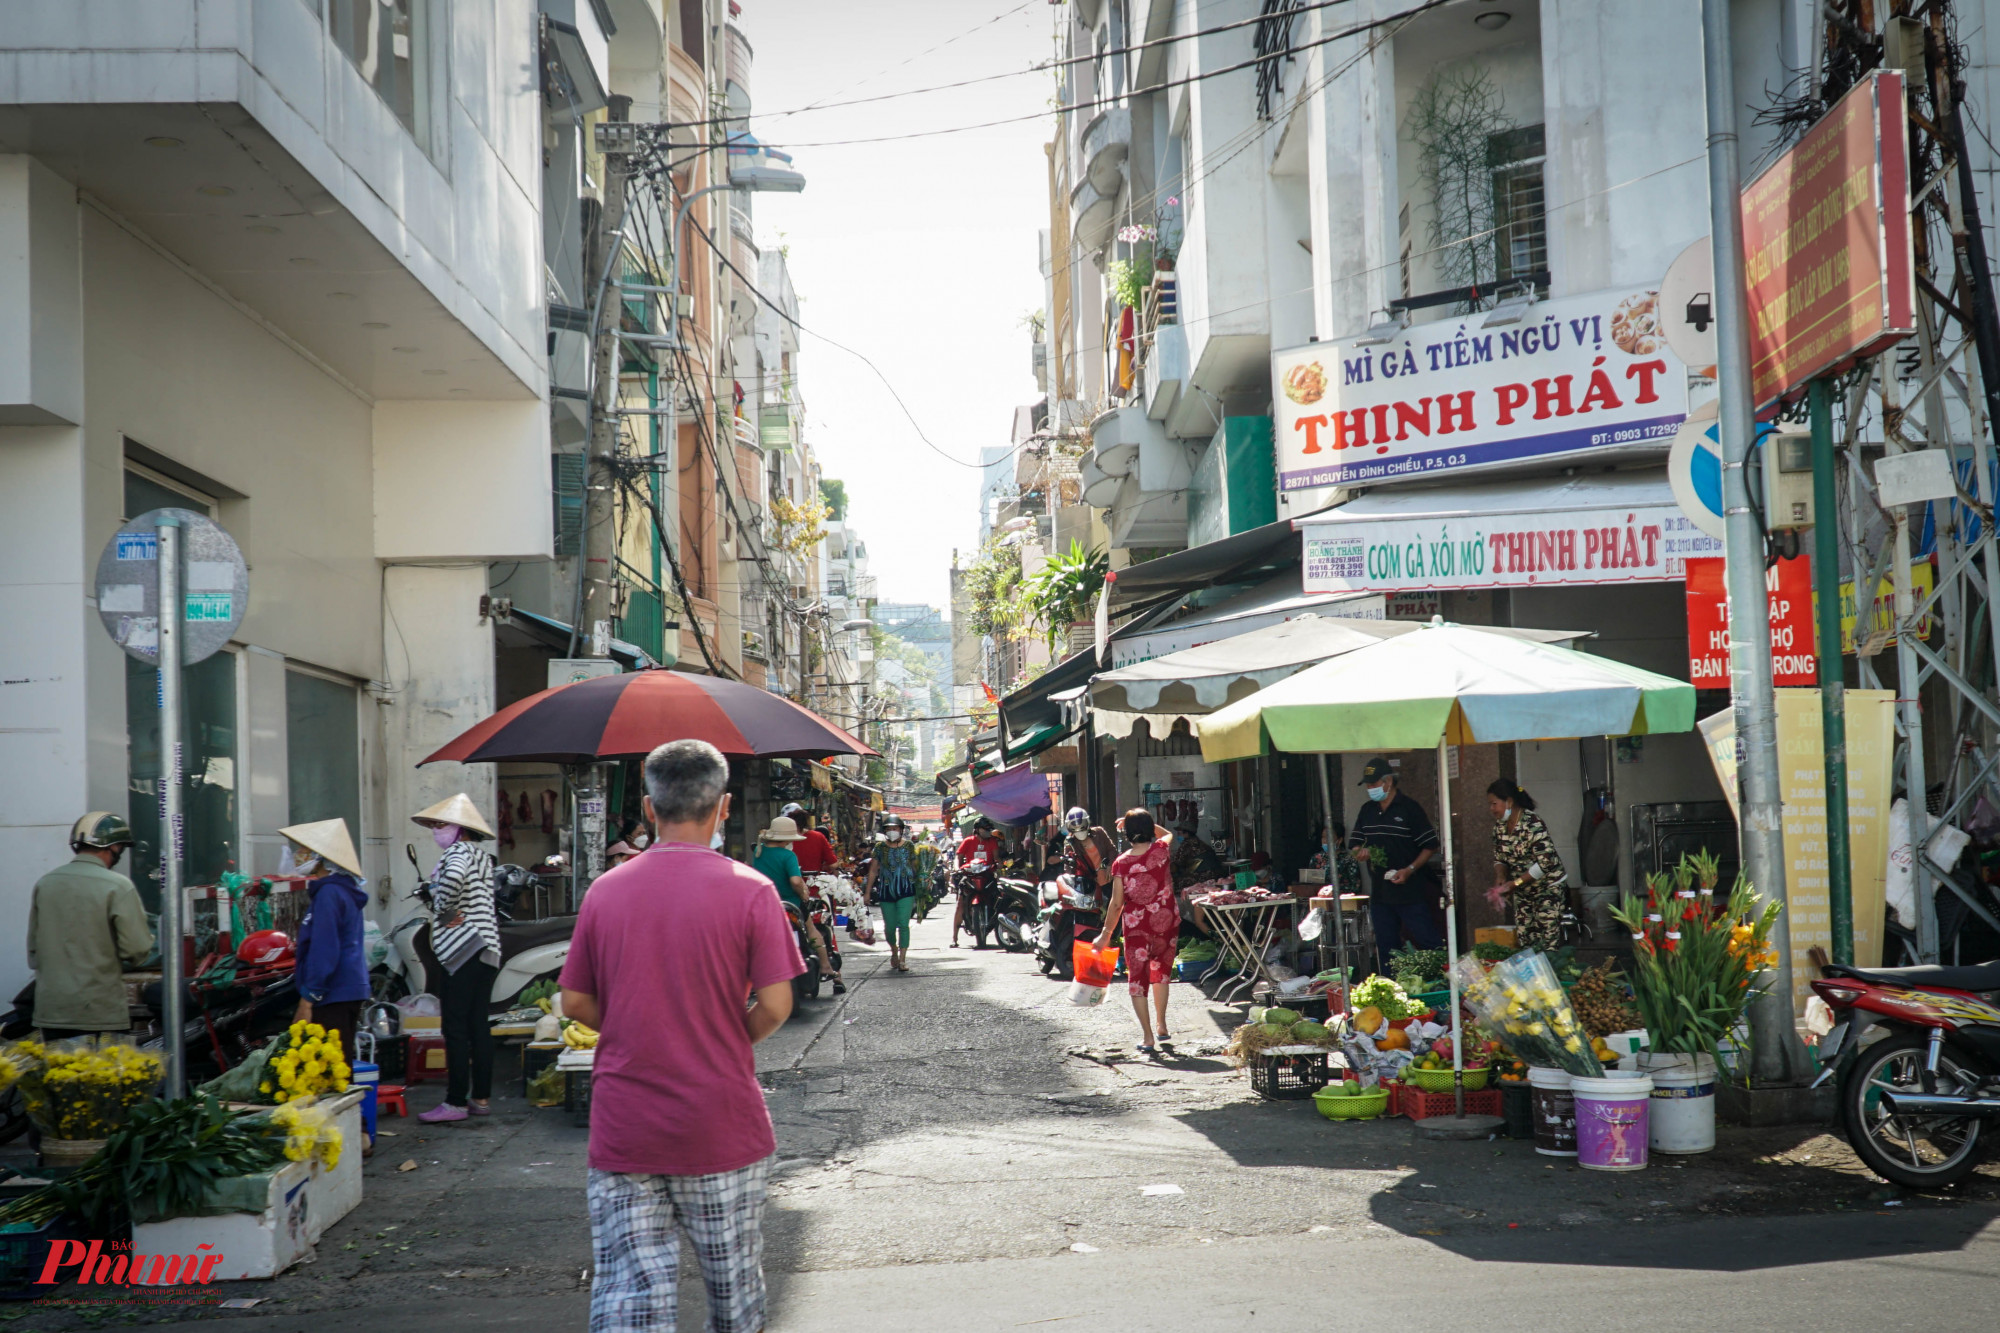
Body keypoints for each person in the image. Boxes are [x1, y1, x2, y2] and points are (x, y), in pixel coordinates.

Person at [560, 740, 802, 1333]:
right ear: (722, 809)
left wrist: (635, 1029)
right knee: (735, 1290)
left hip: (626, 1123)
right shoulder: (752, 891)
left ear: (649, 808)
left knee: (630, 1296)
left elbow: (575, 1002)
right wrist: (724, 1037)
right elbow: (775, 1003)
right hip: (720, 1120)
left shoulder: (606, 892)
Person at [413, 793, 501, 1125]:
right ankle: (480, 1098)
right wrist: (445, 908)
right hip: (487, 946)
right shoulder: (480, 855)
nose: (436, 831)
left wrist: (435, 896)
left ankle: (455, 1101)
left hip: (463, 949)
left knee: (455, 1025)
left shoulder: (458, 853)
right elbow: (461, 911)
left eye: (440, 824)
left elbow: (451, 887)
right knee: (478, 1023)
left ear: (459, 829)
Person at [27, 813, 153, 1040]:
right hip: (99, 1011)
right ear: (112, 847)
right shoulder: (118, 886)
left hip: (52, 1010)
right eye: (121, 849)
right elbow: (137, 950)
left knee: (62, 1072)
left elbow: (33, 952)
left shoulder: (46, 884)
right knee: (101, 1075)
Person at [282, 818, 370, 1068]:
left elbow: (325, 950)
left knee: (329, 1073)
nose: (298, 855)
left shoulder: (329, 894)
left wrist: (307, 999)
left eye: (304, 849)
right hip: (347, 987)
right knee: (339, 1068)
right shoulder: (342, 890)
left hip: (333, 992)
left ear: (319, 857)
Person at [1347, 756, 1446, 972]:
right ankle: (1391, 989)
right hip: (1381, 894)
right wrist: (1360, 853)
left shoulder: (1410, 808)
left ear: (1388, 782)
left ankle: (1444, 982)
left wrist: (1410, 869)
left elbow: (1430, 846)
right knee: (1386, 947)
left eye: (1373, 784)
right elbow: (1354, 844)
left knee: (1428, 941)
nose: (1370, 789)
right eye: (1368, 785)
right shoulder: (1367, 810)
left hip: (1410, 891)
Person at [1095, 809, 1178, 1055]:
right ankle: (1162, 1025)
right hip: (1166, 922)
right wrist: (1146, 824)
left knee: (1138, 979)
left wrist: (1105, 933)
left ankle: (1148, 1036)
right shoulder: (1161, 850)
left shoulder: (1121, 862)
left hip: (1137, 928)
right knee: (1161, 972)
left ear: (1128, 834)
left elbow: (1117, 903)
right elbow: (1168, 833)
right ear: (1150, 829)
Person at [750, 816, 844, 994]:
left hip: (766, 904)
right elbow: (795, 881)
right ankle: (825, 966)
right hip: (791, 904)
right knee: (811, 930)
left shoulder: (759, 852)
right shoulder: (788, 855)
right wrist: (804, 894)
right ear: (786, 838)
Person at [1487, 778, 1570, 951]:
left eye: (1494, 804)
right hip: (1523, 892)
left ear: (1509, 801)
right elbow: (1499, 858)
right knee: (1526, 943)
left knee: (1548, 944)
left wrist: (1516, 883)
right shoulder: (1499, 827)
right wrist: (1501, 876)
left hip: (1548, 888)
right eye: (1490, 804)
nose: (1492, 809)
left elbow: (1545, 862)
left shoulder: (1532, 823)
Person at [864, 816, 922, 973]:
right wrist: (867, 892)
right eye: (888, 829)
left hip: (906, 890)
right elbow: (873, 870)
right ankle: (894, 950)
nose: (892, 831)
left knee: (903, 925)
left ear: (901, 830)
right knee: (889, 928)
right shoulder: (880, 848)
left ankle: (902, 959)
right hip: (886, 891)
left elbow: (916, 867)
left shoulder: (909, 847)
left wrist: (923, 881)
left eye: (895, 828)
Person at [950, 817, 1002, 948]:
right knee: (960, 904)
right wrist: (957, 868)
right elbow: (958, 857)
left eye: (989, 830)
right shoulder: (968, 841)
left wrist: (999, 864)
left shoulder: (992, 841)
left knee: (1000, 898)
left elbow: (996, 858)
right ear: (978, 830)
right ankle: (954, 938)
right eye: (986, 830)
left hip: (987, 876)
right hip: (969, 876)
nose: (988, 832)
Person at [1061, 806, 1116, 896]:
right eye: (1074, 828)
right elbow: (1068, 865)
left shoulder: (1099, 833)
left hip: (1107, 880)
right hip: (1087, 886)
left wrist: (1110, 865)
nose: (1078, 830)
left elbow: (1112, 850)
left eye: (1081, 827)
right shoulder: (1070, 842)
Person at [783, 803, 839, 875]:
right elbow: (833, 865)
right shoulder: (818, 837)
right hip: (813, 883)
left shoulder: (780, 840)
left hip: (786, 884)